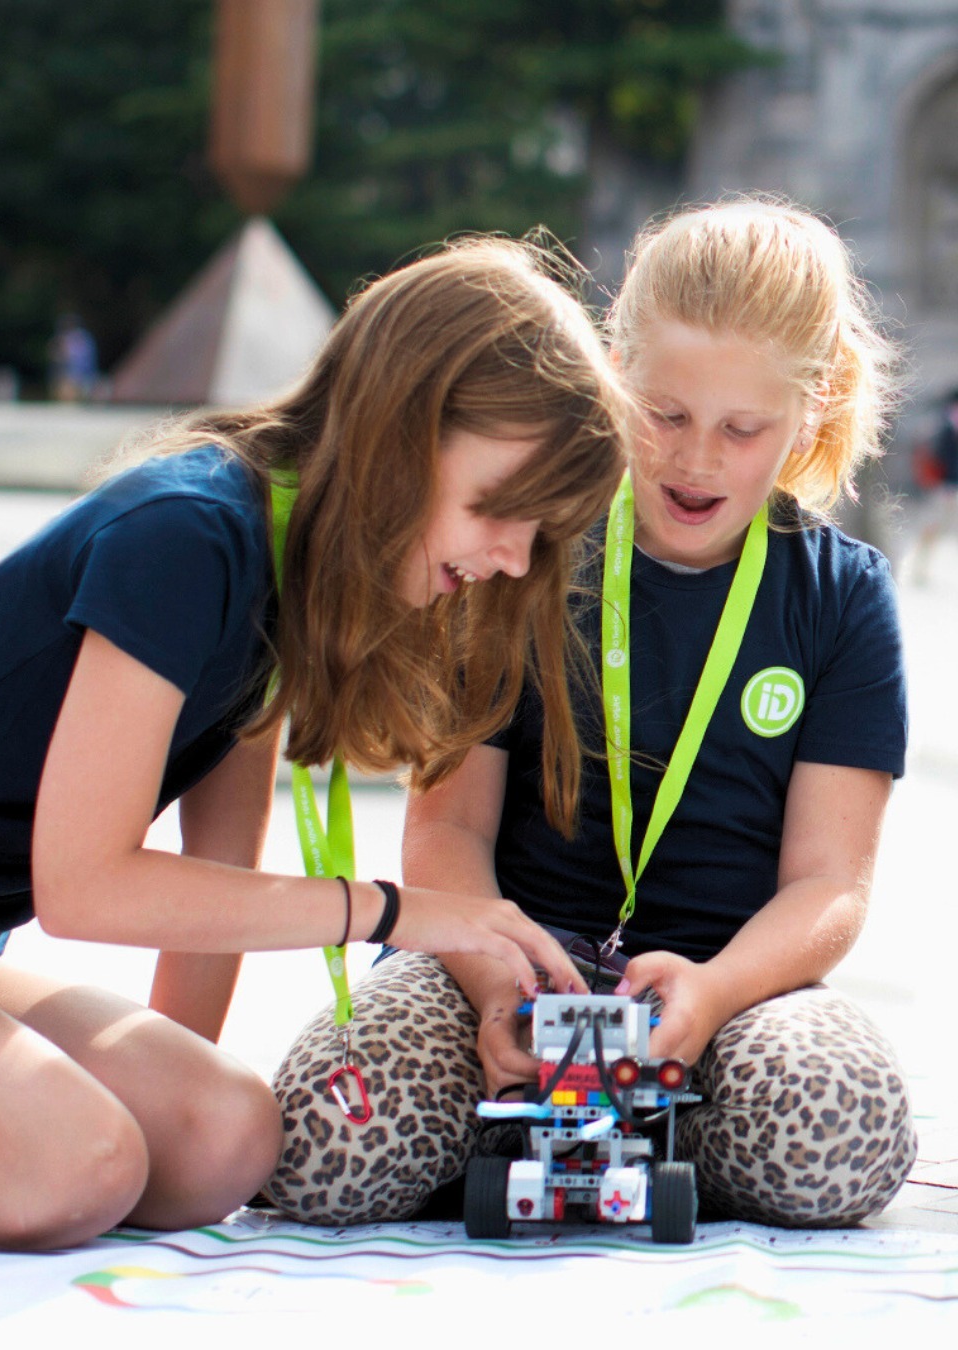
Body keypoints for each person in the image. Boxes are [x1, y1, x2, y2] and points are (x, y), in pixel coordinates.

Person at [0, 235, 628, 1249]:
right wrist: (396, 912)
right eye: (503, 510)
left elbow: (218, 875)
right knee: (75, 1161)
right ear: (404, 425)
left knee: (223, 1137)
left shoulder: (293, 565)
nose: (510, 558)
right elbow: (84, 886)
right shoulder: (187, 534)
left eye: (539, 535)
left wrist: (161, 1100)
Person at [266, 198, 916, 1230]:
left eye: (742, 429)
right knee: (320, 1144)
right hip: (502, 965)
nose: (694, 460)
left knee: (843, 1139)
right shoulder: (524, 547)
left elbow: (830, 886)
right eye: (663, 414)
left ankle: (664, 1114)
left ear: (813, 409)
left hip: (724, 993)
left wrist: (708, 998)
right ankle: (520, 1101)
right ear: (613, 369)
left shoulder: (839, 595)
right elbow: (447, 826)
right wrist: (492, 987)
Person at [906, 387, 958, 585]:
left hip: (947, 486)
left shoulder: (943, 424)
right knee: (931, 528)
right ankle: (920, 570)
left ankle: (922, 569)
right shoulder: (944, 426)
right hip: (944, 487)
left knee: (934, 529)